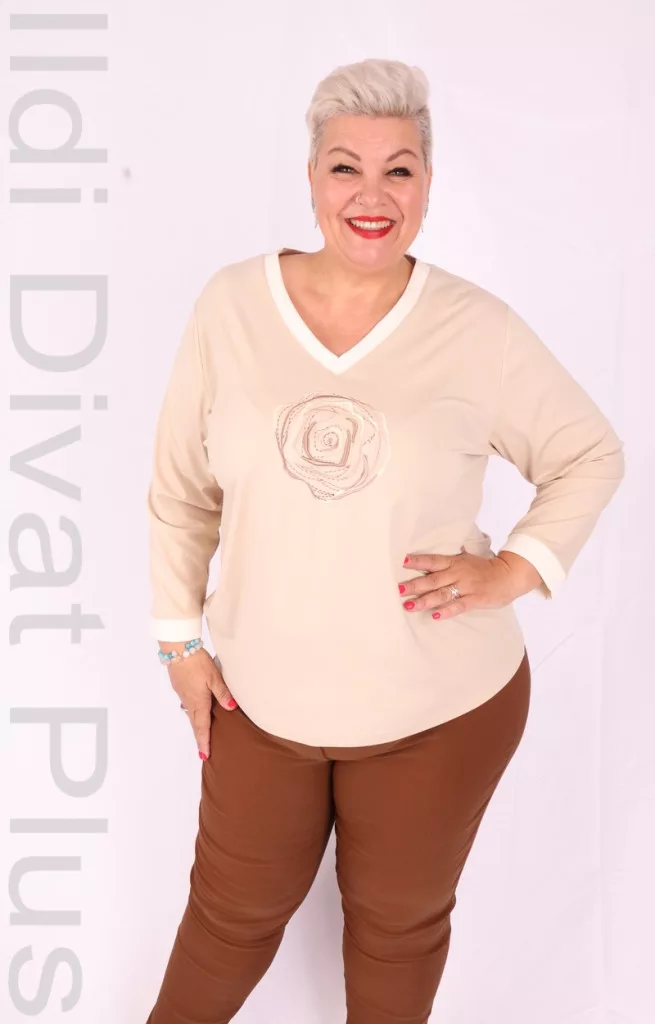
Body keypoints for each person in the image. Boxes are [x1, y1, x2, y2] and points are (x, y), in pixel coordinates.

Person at [143, 57, 625, 1024]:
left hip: (437, 708)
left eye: (398, 170)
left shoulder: (475, 329)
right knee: (229, 919)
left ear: (428, 184)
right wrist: (178, 642)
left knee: (396, 928)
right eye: (345, 168)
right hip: (260, 699)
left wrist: (512, 570)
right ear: (310, 179)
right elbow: (181, 491)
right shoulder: (231, 305)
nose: (371, 196)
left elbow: (588, 453)